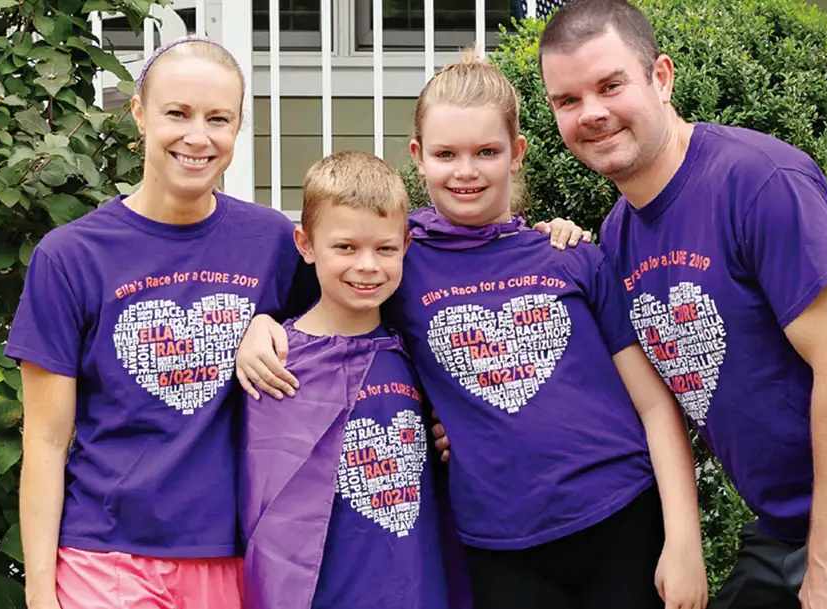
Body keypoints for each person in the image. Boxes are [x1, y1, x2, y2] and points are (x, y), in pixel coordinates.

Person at [237, 50, 708, 609]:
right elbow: (320, 300)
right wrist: (257, 324)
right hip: (498, 547)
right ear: (418, 156)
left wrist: (684, 542)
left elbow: (656, 407)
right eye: (446, 154)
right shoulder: (397, 258)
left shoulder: (570, 256)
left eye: (486, 152)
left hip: (622, 517)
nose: (466, 171)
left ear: (517, 154)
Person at [536, 1, 827, 608]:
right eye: (568, 100)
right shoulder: (618, 235)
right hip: (782, 530)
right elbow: (651, 398)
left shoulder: (760, 182)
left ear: (662, 78)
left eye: (610, 85)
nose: (592, 113)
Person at [6, 36, 313, 609]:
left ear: (238, 126)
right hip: (105, 558)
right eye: (178, 113)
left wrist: (266, 322)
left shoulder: (272, 241)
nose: (198, 137)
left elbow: (345, 333)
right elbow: (46, 441)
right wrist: (40, 591)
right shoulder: (70, 256)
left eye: (218, 118)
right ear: (140, 114)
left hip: (233, 556)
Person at [240, 150, 469, 609]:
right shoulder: (273, 360)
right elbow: (263, 505)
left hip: (416, 588)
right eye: (345, 247)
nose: (367, 265)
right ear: (305, 245)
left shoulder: (415, 351)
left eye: (384, 248)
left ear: (405, 245)